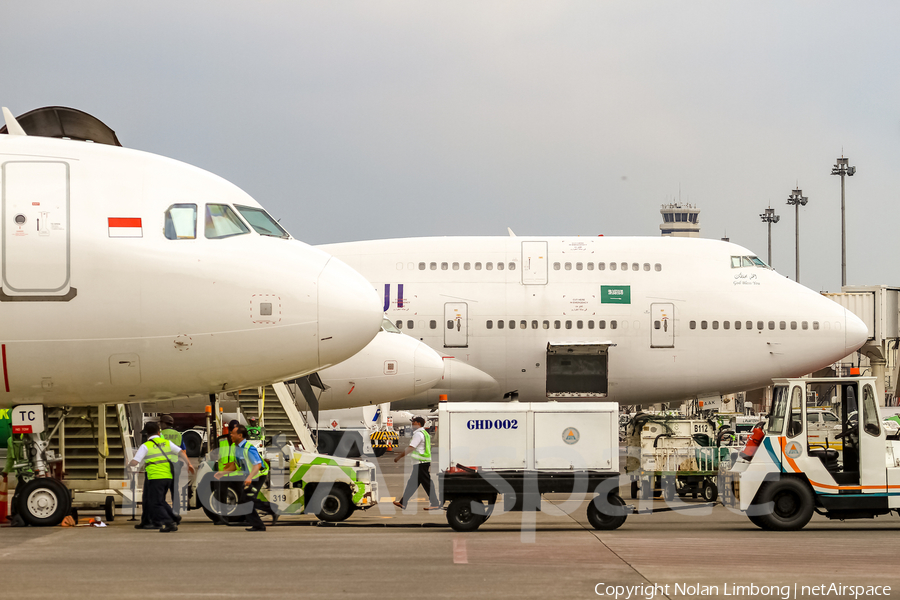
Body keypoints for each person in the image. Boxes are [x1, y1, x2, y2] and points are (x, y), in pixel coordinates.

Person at [128, 422, 194, 532]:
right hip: (168, 476)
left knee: (155, 503)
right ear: (159, 432)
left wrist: (128, 464)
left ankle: (169, 522)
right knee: (159, 500)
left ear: (147, 434)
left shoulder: (146, 445)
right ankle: (173, 517)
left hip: (155, 477)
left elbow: (135, 462)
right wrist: (189, 464)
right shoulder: (167, 443)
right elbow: (181, 451)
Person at [214, 424, 275, 531]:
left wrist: (250, 477)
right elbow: (236, 465)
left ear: (240, 435)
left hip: (258, 475)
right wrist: (222, 473)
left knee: (247, 499)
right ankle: (263, 518)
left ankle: (263, 518)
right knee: (245, 500)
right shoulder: (236, 448)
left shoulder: (249, 448)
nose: (230, 435)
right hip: (251, 476)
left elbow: (258, 465)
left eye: (233, 434)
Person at [393, 416, 441, 510]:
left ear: (418, 423)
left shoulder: (418, 434)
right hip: (421, 462)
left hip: (421, 463)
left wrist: (399, 457)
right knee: (412, 484)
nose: (412, 424)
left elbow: (411, 447)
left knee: (426, 483)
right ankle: (403, 503)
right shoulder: (424, 433)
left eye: (413, 422)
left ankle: (435, 503)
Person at [159, 415, 185, 516]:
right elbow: (183, 450)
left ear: (164, 423)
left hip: (164, 464)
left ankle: (163, 513)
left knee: (162, 491)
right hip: (175, 463)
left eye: (161, 422)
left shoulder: (160, 434)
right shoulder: (179, 434)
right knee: (175, 490)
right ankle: (176, 513)